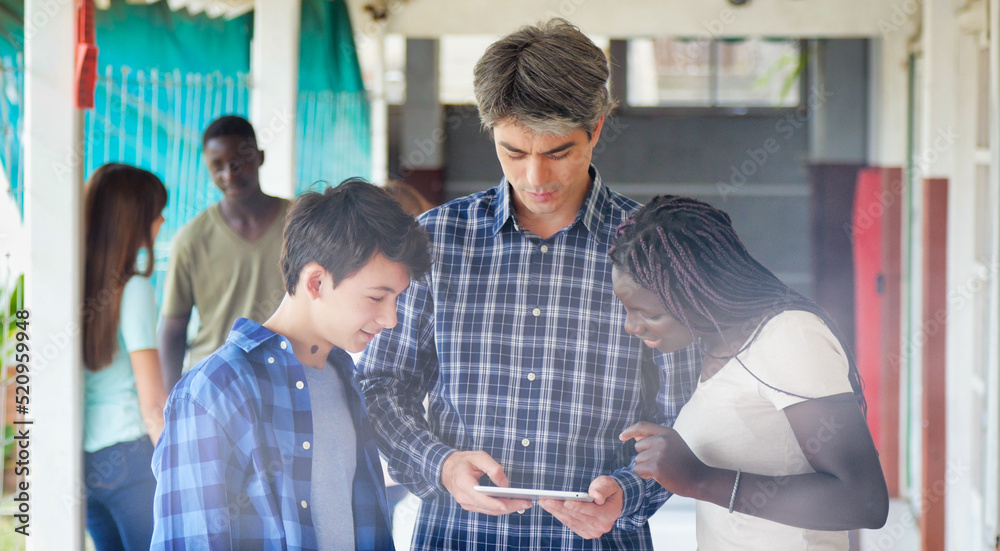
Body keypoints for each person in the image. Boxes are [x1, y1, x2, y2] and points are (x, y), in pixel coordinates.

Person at [357, 18, 699, 550]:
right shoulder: (437, 241)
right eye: (513, 152)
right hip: (460, 535)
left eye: (558, 152)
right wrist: (440, 465)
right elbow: (381, 383)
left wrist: (629, 494)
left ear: (598, 128)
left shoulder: (653, 251)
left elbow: (684, 413)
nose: (535, 178)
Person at [151, 179, 429, 550]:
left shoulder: (345, 377)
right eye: (377, 297)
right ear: (315, 281)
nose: (391, 319)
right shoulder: (213, 392)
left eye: (397, 299)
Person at [612, 195, 889, 549]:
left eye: (650, 315)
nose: (631, 327)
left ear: (700, 293)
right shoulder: (717, 347)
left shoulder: (790, 337)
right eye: (628, 309)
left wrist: (700, 480)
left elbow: (863, 500)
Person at [159, 115, 290, 389]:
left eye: (238, 163)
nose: (228, 175)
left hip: (288, 378)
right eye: (216, 166)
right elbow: (173, 328)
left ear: (260, 158)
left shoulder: (300, 224)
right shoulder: (191, 239)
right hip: (215, 386)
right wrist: (171, 401)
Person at [82, 163, 170, 551]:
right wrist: (176, 467)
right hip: (131, 460)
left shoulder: (74, 281)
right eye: (155, 212)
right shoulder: (132, 288)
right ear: (132, 220)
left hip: (84, 461)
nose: (163, 219)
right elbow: (153, 403)